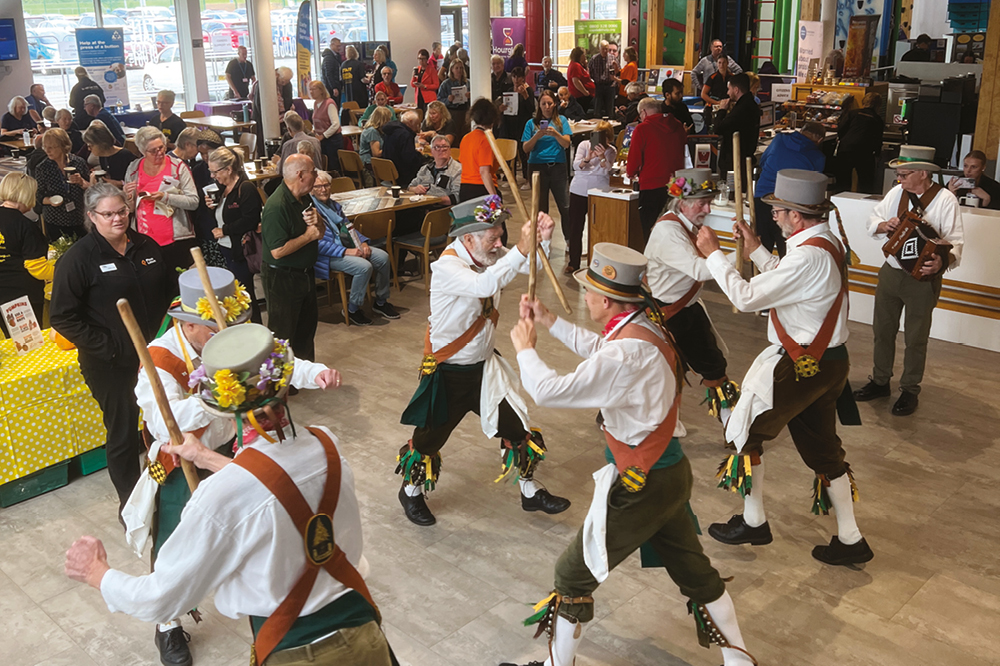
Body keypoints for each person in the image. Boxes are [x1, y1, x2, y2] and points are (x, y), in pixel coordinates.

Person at [64, 323, 394, 666]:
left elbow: (160, 598)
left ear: (224, 408)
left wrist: (98, 573)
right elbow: (272, 481)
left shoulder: (222, 495)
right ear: (284, 388)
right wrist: (205, 457)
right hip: (367, 635)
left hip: (300, 655)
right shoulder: (327, 443)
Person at [503, 244, 756, 666]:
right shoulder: (643, 324)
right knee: (693, 571)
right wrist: (549, 322)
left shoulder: (627, 349)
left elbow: (551, 391)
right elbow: (602, 350)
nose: (583, 297)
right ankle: (739, 661)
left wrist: (525, 348)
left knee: (571, 573)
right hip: (668, 472)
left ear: (605, 301)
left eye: (587, 292)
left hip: (644, 481)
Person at [123, 268, 337, 666]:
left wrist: (314, 372)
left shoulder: (230, 335)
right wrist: (218, 395)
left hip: (236, 453)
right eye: (215, 328)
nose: (227, 335)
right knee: (172, 541)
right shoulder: (160, 358)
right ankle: (167, 623)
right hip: (182, 462)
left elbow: (278, 361)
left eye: (234, 324)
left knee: (255, 528)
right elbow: (160, 421)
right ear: (188, 324)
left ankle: (262, 596)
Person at [693, 169, 872, 566]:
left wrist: (713, 255)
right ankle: (850, 538)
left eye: (778, 211)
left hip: (799, 364)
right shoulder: (825, 241)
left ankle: (754, 521)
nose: (773, 216)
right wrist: (756, 250)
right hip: (830, 364)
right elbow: (790, 282)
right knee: (824, 452)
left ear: (796, 216)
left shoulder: (806, 254)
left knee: (743, 435)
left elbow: (746, 296)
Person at [397, 196, 570, 526]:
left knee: (517, 427)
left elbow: (524, 265)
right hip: (447, 373)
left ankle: (530, 491)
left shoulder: (488, 254)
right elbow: (486, 284)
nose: (500, 243)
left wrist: (542, 241)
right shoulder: (447, 267)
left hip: (485, 368)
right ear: (467, 238)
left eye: (501, 235)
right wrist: (521, 248)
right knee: (428, 439)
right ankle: (411, 490)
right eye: (493, 237)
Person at [51, 182, 171, 516]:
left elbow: (165, 293)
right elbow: (63, 317)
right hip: (111, 365)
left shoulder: (145, 246)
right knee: (122, 432)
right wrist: (112, 348)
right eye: (108, 214)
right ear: (91, 216)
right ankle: (133, 506)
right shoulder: (78, 260)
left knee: (161, 421)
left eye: (122, 211)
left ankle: (167, 488)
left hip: (155, 357)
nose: (117, 219)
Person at [853, 146, 964, 416]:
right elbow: (873, 218)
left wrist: (942, 261)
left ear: (924, 174)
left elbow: (956, 241)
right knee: (882, 331)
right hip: (891, 273)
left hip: (922, 280)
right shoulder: (896, 194)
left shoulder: (946, 200)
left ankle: (910, 389)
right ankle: (880, 381)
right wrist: (883, 225)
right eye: (899, 174)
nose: (899, 179)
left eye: (904, 174)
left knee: (916, 337)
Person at [645, 168, 739, 421]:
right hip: (665, 314)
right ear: (682, 203)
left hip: (687, 310)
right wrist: (743, 254)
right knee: (651, 372)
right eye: (702, 203)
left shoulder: (687, 225)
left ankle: (733, 425)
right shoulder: (668, 231)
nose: (708, 210)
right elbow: (700, 269)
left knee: (713, 367)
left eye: (708, 203)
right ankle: (610, 418)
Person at [311, 170, 399, 326]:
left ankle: (380, 301)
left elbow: (348, 227)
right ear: (311, 189)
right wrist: (346, 251)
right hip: (325, 256)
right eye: (318, 186)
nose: (323, 190)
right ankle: (352, 309)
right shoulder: (311, 211)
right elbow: (317, 244)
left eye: (326, 185)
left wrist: (362, 243)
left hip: (347, 246)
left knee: (383, 257)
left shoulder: (333, 205)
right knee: (364, 267)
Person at [261, 154, 323, 362]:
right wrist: (308, 236)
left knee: (306, 328)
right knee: (283, 332)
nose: (316, 175)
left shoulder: (304, 197)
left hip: (304, 273)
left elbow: (318, 232)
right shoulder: (276, 207)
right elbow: (277, 251)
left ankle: (303, 374)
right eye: (313, 171)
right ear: (301, 175)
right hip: (282, 278)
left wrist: (319, 222)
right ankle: (281, 383)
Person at [123, 126, 199, 279]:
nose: (160, 153)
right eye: (153, 151)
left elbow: (194, 201)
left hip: (175, 240)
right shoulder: (133, 168)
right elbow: (130, 210)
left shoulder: (177, 167)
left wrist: (164, 196)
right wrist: (127, 197)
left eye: (161, 147)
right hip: (144, 240)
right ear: (143, 152)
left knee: (177, 283)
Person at [205, 146, 263, 323]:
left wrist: (226, 230)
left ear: (228, 169)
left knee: (245, 296)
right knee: (234, 294)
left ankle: (256, 330)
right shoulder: (221, 189)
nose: (212, 176)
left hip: (242, 251)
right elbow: (222, 216)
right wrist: (211, 208)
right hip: (227, 249)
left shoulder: (245, 188)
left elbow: (250, 220)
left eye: (215, 172)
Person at [754, 121, 826, 257]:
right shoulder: (818, 157)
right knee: (787, 250)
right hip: (789, 205)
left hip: (763, 197)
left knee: (761, 248)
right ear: (820, 140)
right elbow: (812, 185)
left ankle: (758, 277)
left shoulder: (779, 140)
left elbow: (763, 161)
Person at [625, 97, 687, 242]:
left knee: (651, 229)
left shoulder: (642, 128)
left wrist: (630, 173)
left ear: (644, 112)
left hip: (652, 183)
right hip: (679, 182)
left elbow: (633, 161)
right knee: (676, 226)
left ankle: (653, 262)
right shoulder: (677, 124)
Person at [0, 173, 53, 335]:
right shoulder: (26, 226)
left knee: (9, 341)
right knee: (28, 343)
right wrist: (63, 272)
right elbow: (36, 268)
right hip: (21, 299)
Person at [567, 121, 616, 272]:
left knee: (598, 228)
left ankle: (596, 263)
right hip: (579, 190)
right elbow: (576, 166)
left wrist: (602, 157)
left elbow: (606, 170)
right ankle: (573, 262)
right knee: (575, 228)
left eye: (605, 138)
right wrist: (588, 158)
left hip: (599, 192)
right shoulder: (584, 145)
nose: (603, 142)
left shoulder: (611, 151)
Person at [522, 89, 572, 228]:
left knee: (565, 206)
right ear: (539, 105)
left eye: (550, 103)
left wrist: (556, 134)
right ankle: (542, 242)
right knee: (541, 209)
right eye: (543, 104)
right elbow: (526, 148)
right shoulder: (531, 123)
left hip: (558, 166)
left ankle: (569, 241)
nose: (547, 107)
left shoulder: (561, 121)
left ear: (555, 104)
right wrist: (537, 136)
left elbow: (566, 144)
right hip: (537, 167)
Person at [35, 128, 90, 241]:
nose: (47, 150)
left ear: (63, 146)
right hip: (55, 219)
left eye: (51, 147)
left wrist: (82, 182)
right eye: (45, 147)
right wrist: (50, 200)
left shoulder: (79, 162)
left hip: (79, 218)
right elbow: (38, 196)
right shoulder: (42, 168)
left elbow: (91, 189)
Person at [714, 73, 760, 186]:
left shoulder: (741, 109)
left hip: (734, 163)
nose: (727, 93)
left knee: (732, 194)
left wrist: (722, 111)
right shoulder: (752, 105)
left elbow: (718, 128)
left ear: (736, 90)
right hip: (745, 158)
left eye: (729, 89)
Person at [834, 92, 883, 194]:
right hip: (865, 153)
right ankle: (863, 204)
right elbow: (877, 139)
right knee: (866, 183)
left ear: (864, 102)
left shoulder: (852, 113)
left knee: (843, 182)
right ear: (878, 105)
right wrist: (877, 155)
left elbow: (841, 129)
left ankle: (840, 203)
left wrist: (843, 140)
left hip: (846, 149)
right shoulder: (878, 120)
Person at [459, 99, 501, 210]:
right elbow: (484, 172)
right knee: (494, 227)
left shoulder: (465, 138)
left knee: (471, 227)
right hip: (481, 190)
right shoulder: (486, 140)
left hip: (465, 189)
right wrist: (494, 196)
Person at [501, 67, 536, 187]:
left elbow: (531, 109)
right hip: (510, 124)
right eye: (514, 77)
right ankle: (511, 177)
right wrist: (502, 108)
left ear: (523, 78)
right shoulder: (510, 90)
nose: (516, 79)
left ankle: (527, 179)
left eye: (519, 77)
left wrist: (525, 95)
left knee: (523, 152)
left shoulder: (528, 90)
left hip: (523, 124)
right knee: (511, 153)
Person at [408, 133, 462, 205]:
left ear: (449, 150)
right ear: (431, 151)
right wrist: (415, 189)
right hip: (420, 206)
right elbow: (410, 187)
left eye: (444, 146)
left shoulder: (458, 170)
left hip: (441, 210)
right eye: (437, 147)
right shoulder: (425, 169)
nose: (441, 149)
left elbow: (457, 197)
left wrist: (431, 200)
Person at [82, 121, 136, 189]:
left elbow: (137, 180)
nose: (89, 149)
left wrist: (120, 183)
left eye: (90, 146)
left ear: (100, 144)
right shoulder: (102, 156)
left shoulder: (125, 156)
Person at [381, 111, 425, 187]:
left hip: (390, 170)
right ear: (410, 122)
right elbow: (409, 159)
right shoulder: (405, 134)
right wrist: (421, 156)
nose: (418, 127)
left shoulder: (391, 130)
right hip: (401, 174)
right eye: (417, 124)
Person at [308, 79, 343, 175]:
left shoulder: (329, 103)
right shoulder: (315, 104)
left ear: (321, 90)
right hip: (321, 139)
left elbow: (335, 124)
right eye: (310, 89)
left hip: (332, 140)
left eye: (313, 89)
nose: (311, 92)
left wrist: (323, 135)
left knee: (333, 165)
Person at [358, 106, 392, 186]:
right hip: (369, 165)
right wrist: (391, 148)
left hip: (369, 163)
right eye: (388, 119)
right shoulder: (372, 131)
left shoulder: (374, 130)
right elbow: (376, 153)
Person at [439, 59, 471, 135]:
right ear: (452, 70)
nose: (459, 70)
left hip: (465, 111)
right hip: (452, 112)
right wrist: (448, 100)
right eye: (456, 68)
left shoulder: (468, 83)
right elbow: (439, 100)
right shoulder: (446, 84)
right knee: (454, 133)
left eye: (461, 68)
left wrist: (470, 96)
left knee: (465, 132)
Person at [588, 41, 617, 118]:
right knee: (597, 108)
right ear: (599, 49)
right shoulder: (594, 59)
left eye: (606, 49)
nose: (605, 51)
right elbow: (589, 72)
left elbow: (618, 71)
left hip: (610, 85)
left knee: (610, 108)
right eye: (603, 49)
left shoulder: (612, 58)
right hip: (598, 85)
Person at [566, 47, 595, 114]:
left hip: (583, 95)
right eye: (583, 55)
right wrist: (585, 92)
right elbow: (576, 81)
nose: (585, 57)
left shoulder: (578, 65)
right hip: (580, 96)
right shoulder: (575, 66)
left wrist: (585, 65)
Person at [411, 49, 440, 113]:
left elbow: (436, 85)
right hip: (419, 97)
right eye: (419, 58)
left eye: (423, 59)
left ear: (427, 59)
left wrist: (424, 86)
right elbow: (412, 85)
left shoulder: (432, 70)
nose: (421, 61)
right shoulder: (417, 69)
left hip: (429, 97)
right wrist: (413, 76)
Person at [321, 37, 343, 102]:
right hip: (330, 88)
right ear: (331, 45)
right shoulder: (328, 58)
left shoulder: (336, 57)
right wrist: (334, 87)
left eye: (340, 46)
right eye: (337, 46)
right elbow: (329, 74)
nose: (339, 48)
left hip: (336, 85)